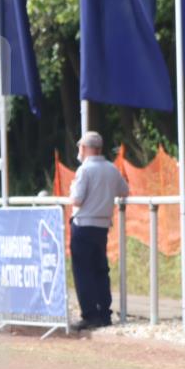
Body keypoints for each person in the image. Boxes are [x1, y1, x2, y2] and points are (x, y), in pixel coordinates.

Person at [68, 131, 130, 331]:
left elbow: (77, 199)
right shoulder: (111, 169)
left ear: (84, 148)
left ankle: (89, 314)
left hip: (83, 225)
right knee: (100, 271)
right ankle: (104, 313)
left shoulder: (84, 170)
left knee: (83, 272)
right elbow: (124, 190)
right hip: (102, 227)